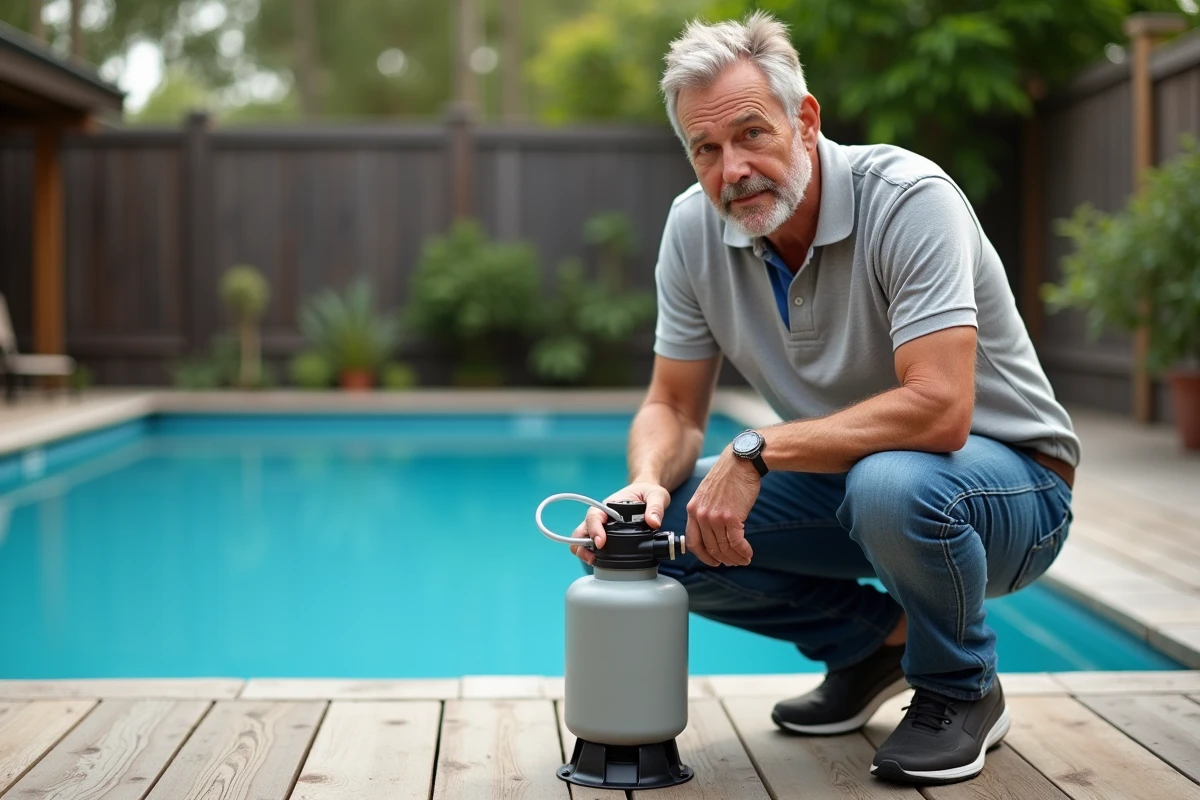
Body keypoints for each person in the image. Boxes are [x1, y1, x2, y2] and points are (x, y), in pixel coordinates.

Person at [570, 10, 1079, 787]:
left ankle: (961, 688)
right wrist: (644, 482)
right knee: (651, 539)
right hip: (856, 484)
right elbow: (672, 405)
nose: (730, 169)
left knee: (892, 482)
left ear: (804, 121)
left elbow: (940, 410)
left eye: (750, 135)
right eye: (706, 149)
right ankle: (872, 647)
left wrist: (757, 451)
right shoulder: (692, 230)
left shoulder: (908, 198)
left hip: (1012, 492)